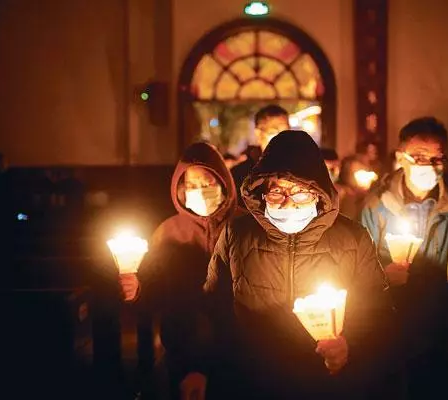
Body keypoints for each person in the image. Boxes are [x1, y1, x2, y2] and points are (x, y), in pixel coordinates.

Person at [183, 130, 400, 399]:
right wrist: (198, 367)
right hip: (251, 380)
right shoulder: (237, 234)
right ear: (262, 191)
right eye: (277, 192)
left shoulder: (352, 239)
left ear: (318, 192)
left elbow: (377, 311)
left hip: (324, 383)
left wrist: (349, 346)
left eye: (300, 192)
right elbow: (212, 308)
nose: (288, 202)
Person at [361, 117, 448, 399]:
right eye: (419, 157)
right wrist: (384, 276)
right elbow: (359, 266)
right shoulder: (376, 206)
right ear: (400, 158)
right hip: (390, 325)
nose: (428, 165)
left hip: (440, 323)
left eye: (437, 158)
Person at [119, 142, 238, 399]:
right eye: (193, 185)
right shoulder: (169, 232)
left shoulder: (244, 225)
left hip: (239, 346)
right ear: (181, 189)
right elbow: (154, 286)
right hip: (183, 346)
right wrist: (137, 289)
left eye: (208, 183)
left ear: (223, 183)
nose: (201, 191)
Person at [231, 104, 290, 203]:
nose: (282, 138)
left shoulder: (300, 169)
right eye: (274, 132)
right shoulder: (240, 175)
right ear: (259, 134)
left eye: (286, 132)